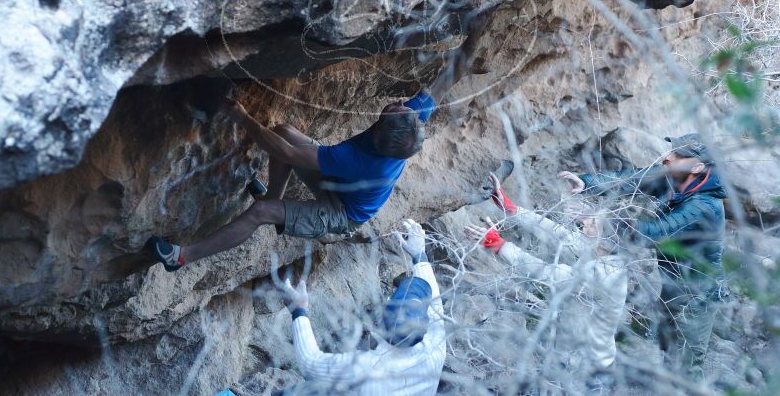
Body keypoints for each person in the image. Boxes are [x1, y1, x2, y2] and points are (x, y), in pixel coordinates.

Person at [146, 84, 446, 271]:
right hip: (344, 184)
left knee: (261, 213)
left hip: (342, 212)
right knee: (284, 132)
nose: (401, 102)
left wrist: (242, 117)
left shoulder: (360, 160)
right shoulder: (407, 126)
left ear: (380, 129)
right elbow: (448, 78)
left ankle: (182, 257)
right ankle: (272, 196)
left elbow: (288, 154)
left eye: (397, 107)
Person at [558, 133, 727, 380]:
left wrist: (607, 221)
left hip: (695, 299)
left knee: (687, 368)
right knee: (669, 352)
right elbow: (631, 178)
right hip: (673, 289)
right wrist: (588, 183)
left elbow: (652, 234)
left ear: (697, 167)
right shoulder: (675, 179)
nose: (668, 157)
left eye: (677, 155)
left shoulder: (704, 207)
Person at [465, 173, 629, 381]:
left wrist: (498, 244)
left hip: (584, 368)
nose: (585, 222)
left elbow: (547, 273)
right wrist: (511, 208)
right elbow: (556, 233)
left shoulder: (606, 276)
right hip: (568, 353)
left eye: (593, 223)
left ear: (606, 241)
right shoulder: (598, 249)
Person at [276, 219, 446, 395]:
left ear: (381, 320)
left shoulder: (366, 369)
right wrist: (419, 255)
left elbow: (310, 362)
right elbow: (436, 304)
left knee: (311, 390)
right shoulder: (433, 347)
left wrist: (298, 309)